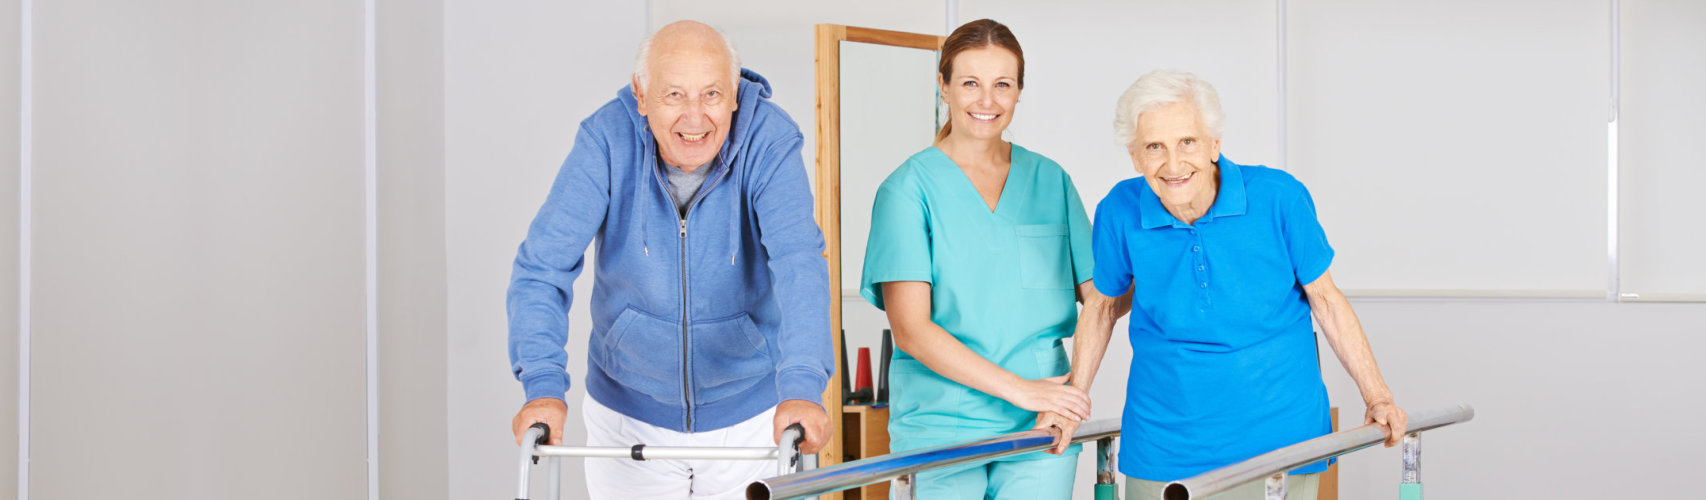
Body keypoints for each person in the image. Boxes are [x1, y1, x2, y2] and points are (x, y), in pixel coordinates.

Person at [505, 20, 832, 499]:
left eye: (713, 95)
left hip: (751, 412)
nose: (695, 118)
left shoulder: (770, 139)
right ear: (641, 96)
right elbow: (542, 268)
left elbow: (799, 261)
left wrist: (802, 385)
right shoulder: (606, 139)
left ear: (736, 94)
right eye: (674, 95)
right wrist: (543, 386)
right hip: (628, 412)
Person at [1058, 69, 1411, 500]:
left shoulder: (1278, 197)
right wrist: (1072, 400)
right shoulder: (1120, 209)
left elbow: (1327, 302)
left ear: (1214, 143)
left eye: (1187, 141)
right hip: (1165, 440)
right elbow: (1102, 308)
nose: (1173, 164)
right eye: (1154, 147)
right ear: (1135, 156)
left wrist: (1377, 395)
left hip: (1280, 438)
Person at [858, 18, 1122, 499]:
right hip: (941, 423)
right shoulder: (907, 190)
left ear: (1020, 90)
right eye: (970, 83)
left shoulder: (1051, 181)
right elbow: (912, 331)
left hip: (1040, 424)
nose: (987, 100)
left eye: (1002, 84)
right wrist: (1021, 390)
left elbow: (1101, 297)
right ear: (944, 87)